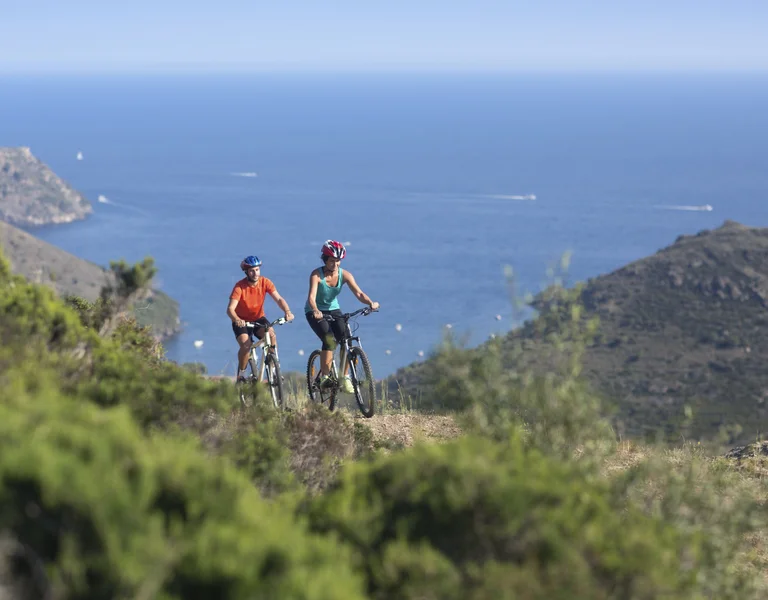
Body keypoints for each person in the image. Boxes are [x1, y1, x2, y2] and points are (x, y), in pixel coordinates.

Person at [305, 240, 379, 392]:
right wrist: (316, 310)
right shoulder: (316, 275)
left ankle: (344, 377)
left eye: (338, 261)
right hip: (315, 311)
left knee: (346, 340)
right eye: (332, 261)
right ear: (325, 260)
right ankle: (325, 377)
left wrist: (370, 303)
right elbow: (311, 297)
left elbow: (359, 293)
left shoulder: (344, 275)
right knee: (329, 340)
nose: (335, 264)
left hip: (334, 309)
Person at [227, 255, 294, 382]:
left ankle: (274, 370)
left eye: (257, 270)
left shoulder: (265, 282)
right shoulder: (239, 287)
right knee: (246, 345)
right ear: (246, 272)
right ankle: (241, 374)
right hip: (241, 321)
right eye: (252, 270)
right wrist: (237, 319)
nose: (255, 273)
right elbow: (230, 309)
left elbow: (279, 299)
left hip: (258, 319)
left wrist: (287, 311)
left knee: (271, 336)